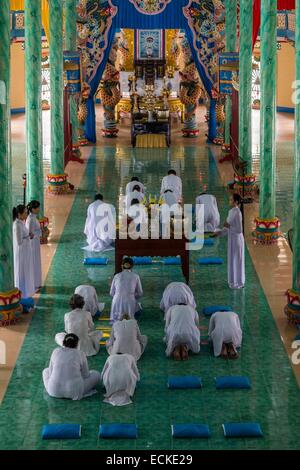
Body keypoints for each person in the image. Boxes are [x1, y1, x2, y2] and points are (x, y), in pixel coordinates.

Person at [43, 333, 101, 400]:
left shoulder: (56, 351)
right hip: (75, 391)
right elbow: (86, 375)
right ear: (77, 344)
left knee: (45, 371)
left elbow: (50, 372)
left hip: (54, 391)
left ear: (63, 342)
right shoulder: (80, 354)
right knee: (96, 374)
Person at [213, 193, 245, 289]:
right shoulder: (232, 211)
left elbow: (239, 230)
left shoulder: (237, 213)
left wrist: (228, 227)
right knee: (233, 260)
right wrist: (219, 233)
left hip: (237, 240)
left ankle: (238, 282)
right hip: (232, 239)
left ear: (236, 202)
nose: (229, 201)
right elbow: (227, 228)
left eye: (231, 199)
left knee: (237, 260)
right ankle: (233, 281)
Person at [110, 258, 143, 323]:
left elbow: (111, 293)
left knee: (116, 322)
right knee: (130, 321)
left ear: (122, 266)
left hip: (116, 300)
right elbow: (140, 293)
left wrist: (119, 295)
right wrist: (132, 296)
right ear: (132, 266)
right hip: (130, 301)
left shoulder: (116, 276)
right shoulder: (136, 276)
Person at [12, 205, 35, 299]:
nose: (27, 214)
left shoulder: (21, 222)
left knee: (26, 270)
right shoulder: (17, 225)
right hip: (21, 253)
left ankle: (26, 291)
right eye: (25, 212)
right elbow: (19, 242)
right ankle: (22, 293)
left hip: (25, 252)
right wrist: (28, 236)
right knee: (22, 271)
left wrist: (28, 235)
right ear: (19, 214)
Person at [26, 200, 42, 292]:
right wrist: (39, 233)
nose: (39, 209)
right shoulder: (31, 219)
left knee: (36, 262)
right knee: (34, 262)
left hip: (36, 243)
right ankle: (34, 285)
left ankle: (37, 283)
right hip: (32, 244)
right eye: (37, 208)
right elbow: (30, 234)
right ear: (33, 209)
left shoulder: (34, 217)